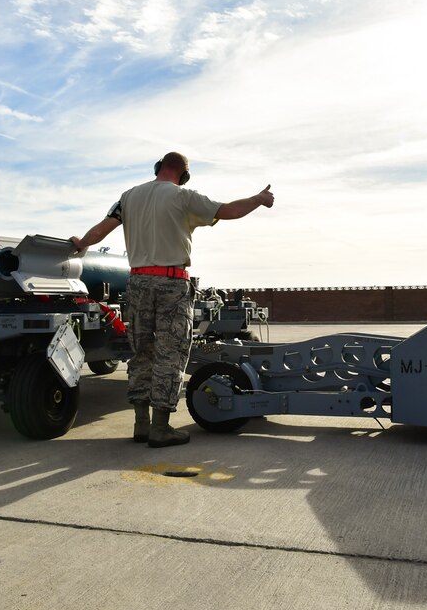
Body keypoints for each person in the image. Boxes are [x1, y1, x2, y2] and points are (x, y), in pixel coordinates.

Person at [70, 152, 274, 448]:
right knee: (171, 353)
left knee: (141, 351)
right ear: (184, 174)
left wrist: (82, 243)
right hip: (171, 283)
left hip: (137, 282)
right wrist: (258, 199)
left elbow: (102, 229)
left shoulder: (128, 197)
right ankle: (160, 428)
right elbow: (228, 210)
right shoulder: (184, 196)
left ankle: (140, 425)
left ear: (158, 169)